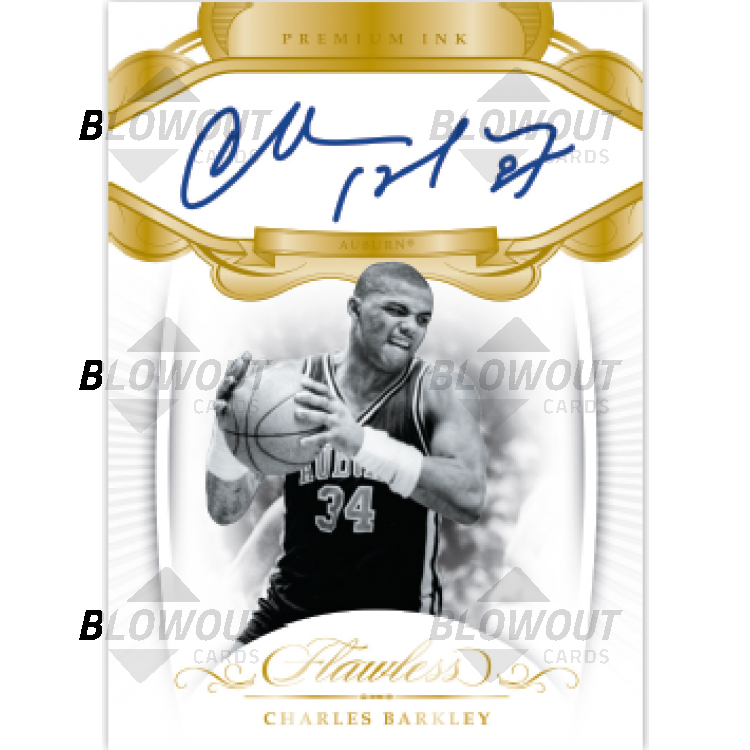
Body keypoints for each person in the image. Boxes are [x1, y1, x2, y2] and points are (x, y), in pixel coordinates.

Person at [206, 262, 486, 646]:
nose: (411, 327)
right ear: (354, 308)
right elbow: (225, 510)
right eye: (397, 311)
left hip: (395, 626)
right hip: (289, 616)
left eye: (422, 319)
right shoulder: (292, 384)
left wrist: (362, 444)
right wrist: (225, 431)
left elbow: (469, 498)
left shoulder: (438, 390)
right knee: (201, 680)